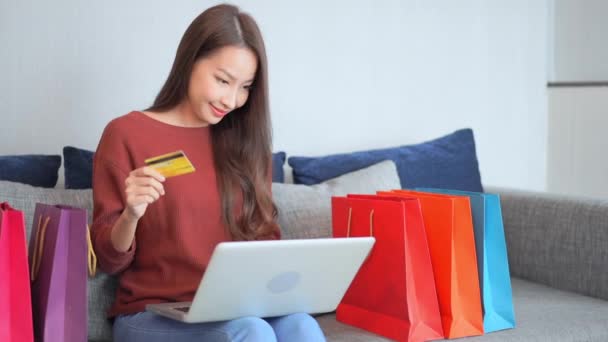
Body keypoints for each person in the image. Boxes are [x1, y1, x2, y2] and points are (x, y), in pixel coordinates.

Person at [91, 4, 326, 342]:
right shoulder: (126, 134)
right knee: (251, 332)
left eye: (245, 87)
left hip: (233, 309)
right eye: (223, 80)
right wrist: (131, 215)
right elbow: (108, 260)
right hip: (151, 314)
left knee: (301, 325)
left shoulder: (245, 143)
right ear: (190, 60)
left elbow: (264, 241)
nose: (232, 100)